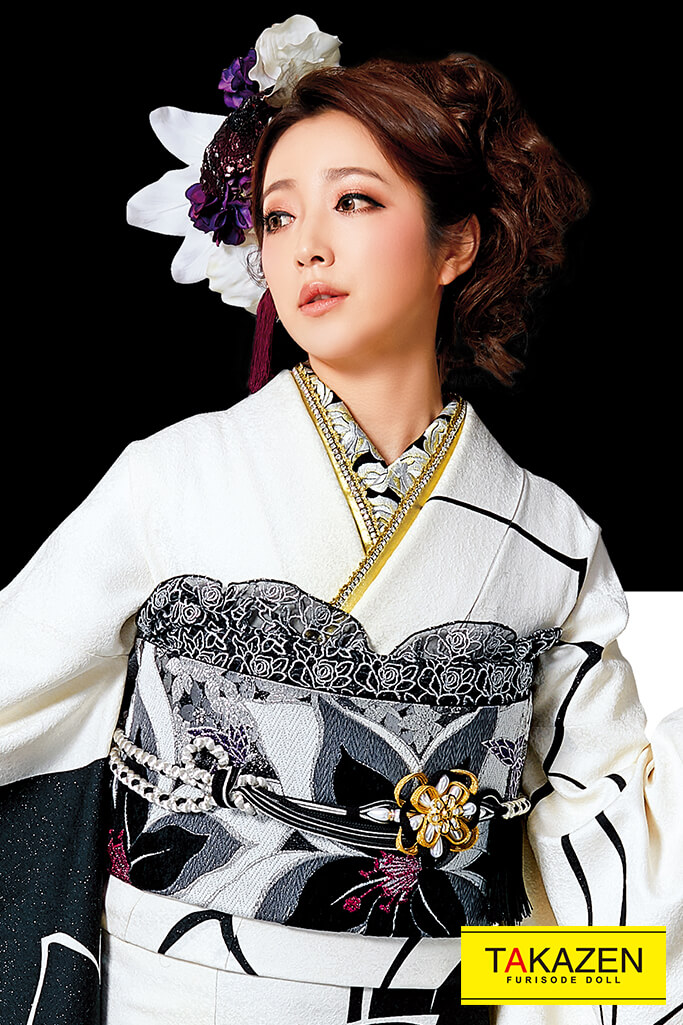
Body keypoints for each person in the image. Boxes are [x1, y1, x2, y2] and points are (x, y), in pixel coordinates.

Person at [1, 15, 680, 1025]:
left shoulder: (550, 538)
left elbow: (607, 877)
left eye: (353, 201)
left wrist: (475, 987)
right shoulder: (170, 478)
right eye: (277, 217)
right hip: (168, 990)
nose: (305, 245)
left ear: (455, 243)